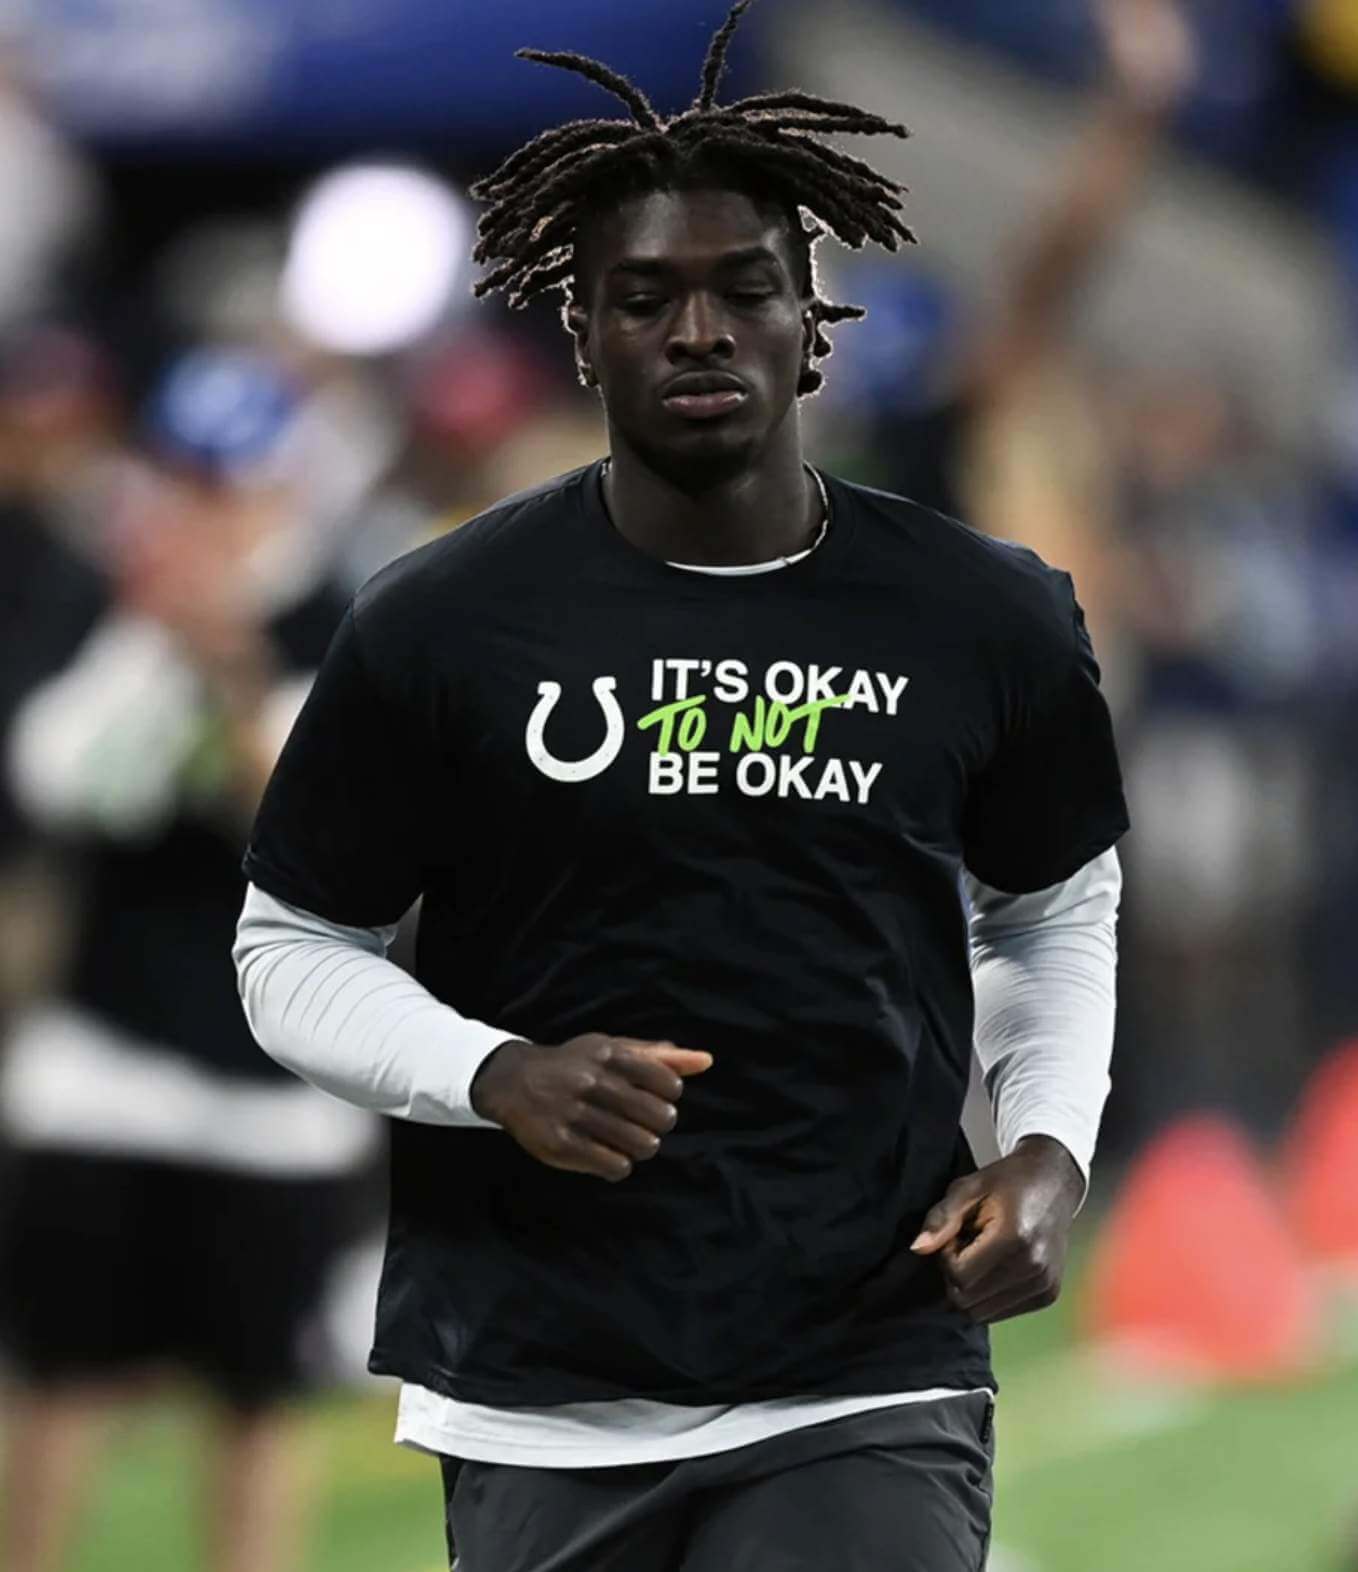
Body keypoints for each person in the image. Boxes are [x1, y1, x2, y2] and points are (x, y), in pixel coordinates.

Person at [234, 4, 1129, 1567]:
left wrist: (1049, 1142)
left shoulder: (982, 612)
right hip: (534, 1380)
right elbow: (288, 949)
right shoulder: (437, 622)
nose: (698, 331)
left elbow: (1053, 907)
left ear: (810, 319)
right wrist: (491, 1072)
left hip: (863, 1364)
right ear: (578, 332)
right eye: (644, 297)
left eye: (743, 290)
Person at [0, 348, 375, 1572]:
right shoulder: (98, 595)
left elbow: (305, 820)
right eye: (189, 480)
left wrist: (219, 652)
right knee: (60, 1382)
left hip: (275, 1091)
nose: (208, 509)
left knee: (257, 1403)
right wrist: (151, 641)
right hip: (104, 1057)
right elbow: (53, 775)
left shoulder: (345, 615)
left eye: (231, 484)